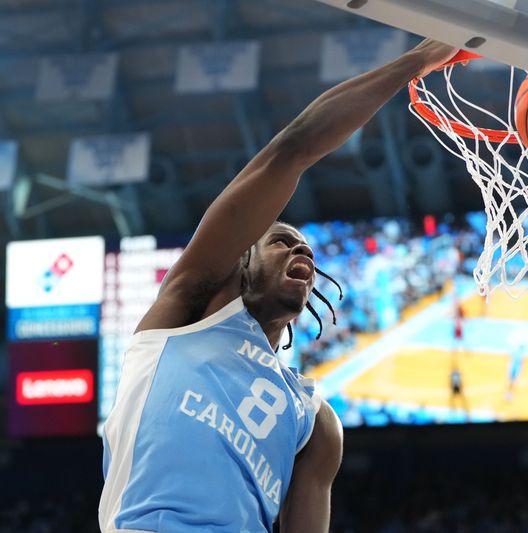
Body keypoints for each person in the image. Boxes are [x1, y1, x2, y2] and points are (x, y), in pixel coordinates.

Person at [98, 40, 459, 533]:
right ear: (240, 260)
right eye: (283, 242)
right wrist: (418, 61)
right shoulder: (189, 308)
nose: (303, 252)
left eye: (308, 251)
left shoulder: (317, 422)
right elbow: (294, 149)